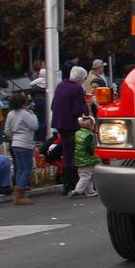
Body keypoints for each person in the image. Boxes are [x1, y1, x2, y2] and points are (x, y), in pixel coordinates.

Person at [51, 65, 90, 195]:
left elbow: (53, 105)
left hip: (59, 123)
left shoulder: (60, 86)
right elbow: (77, 110)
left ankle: (66, 184)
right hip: (72, 124)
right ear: (80, 79)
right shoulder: (77, 89)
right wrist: (87, 107)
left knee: (67, 153)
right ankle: (74, 183)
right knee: (76, 153)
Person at [4, 92, 39, 205]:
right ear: (23, 103)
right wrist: (33, 115)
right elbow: (34, 126)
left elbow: (7, 131)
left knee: (19, 168)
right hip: (25, 143)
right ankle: (20, 193)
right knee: (27, 169)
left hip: (15, 143)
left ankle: (18, 188)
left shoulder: (10, 114)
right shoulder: (25, 114)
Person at [71, 115, 101, 197]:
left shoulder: (77, 133)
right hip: (87, 158)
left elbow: (73, 143)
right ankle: (78, 190)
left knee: (87, 174)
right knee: (85, 175)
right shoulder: (89, 135)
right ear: (91, 125)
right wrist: (94, 154)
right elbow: (89, 147)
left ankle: (90, 191)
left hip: (79, 157)